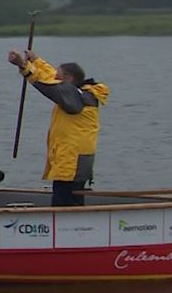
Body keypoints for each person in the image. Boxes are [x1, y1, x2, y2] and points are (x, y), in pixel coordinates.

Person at [8, 48, 110, 206]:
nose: (55, 76)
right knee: (71, 199)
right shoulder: (78, 92)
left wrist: (24, 66)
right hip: (72, 160)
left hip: (71, 162)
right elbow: (51, 78)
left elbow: (50, 87)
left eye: (60, 75)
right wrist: (36, 61)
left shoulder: (76, 98)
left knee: (64, 203)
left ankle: (72, 229)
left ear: (68, 79)